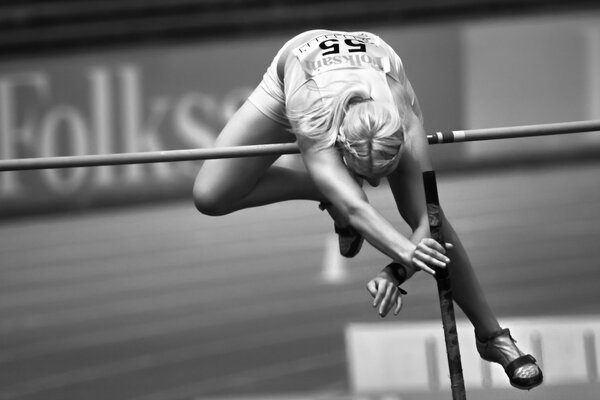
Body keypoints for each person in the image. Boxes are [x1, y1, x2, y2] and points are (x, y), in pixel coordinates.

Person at [193, 29, 543, 390]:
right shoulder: (314, 118)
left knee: (434, 219)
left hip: (376, 77)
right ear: (341, 151)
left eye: (383, 175)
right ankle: (330, 191)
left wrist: (396, 271)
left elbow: (429, 221)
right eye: (364, 177)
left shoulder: (403, 123)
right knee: (211, 196)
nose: (377, 186)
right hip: (302, 72)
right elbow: (359, 209)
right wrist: (401, 246)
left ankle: (492, 336)